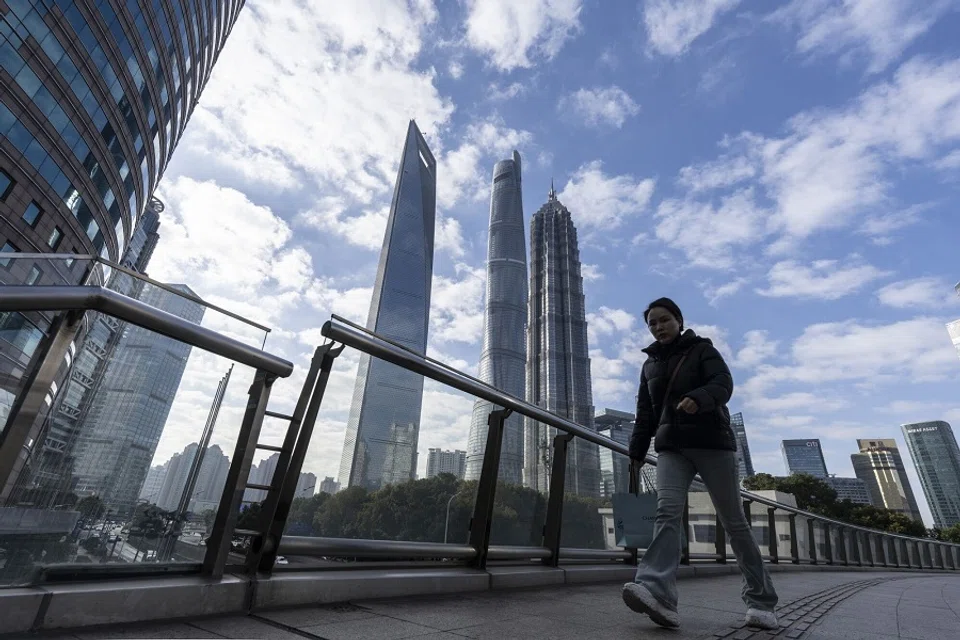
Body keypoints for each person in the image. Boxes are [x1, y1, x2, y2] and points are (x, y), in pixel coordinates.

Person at [621, 297, 778, 630]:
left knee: (733, 522)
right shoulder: (649, 365)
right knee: (666, 513)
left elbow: (723, 384)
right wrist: (635, 450)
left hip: (712, 443)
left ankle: (761, 601)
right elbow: (645, 413)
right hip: (671, 448)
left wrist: (700, 399)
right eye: (652, 323)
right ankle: (657, 593)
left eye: (664, 320)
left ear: (678, 320)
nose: (658, 327)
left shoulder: (702, 350)